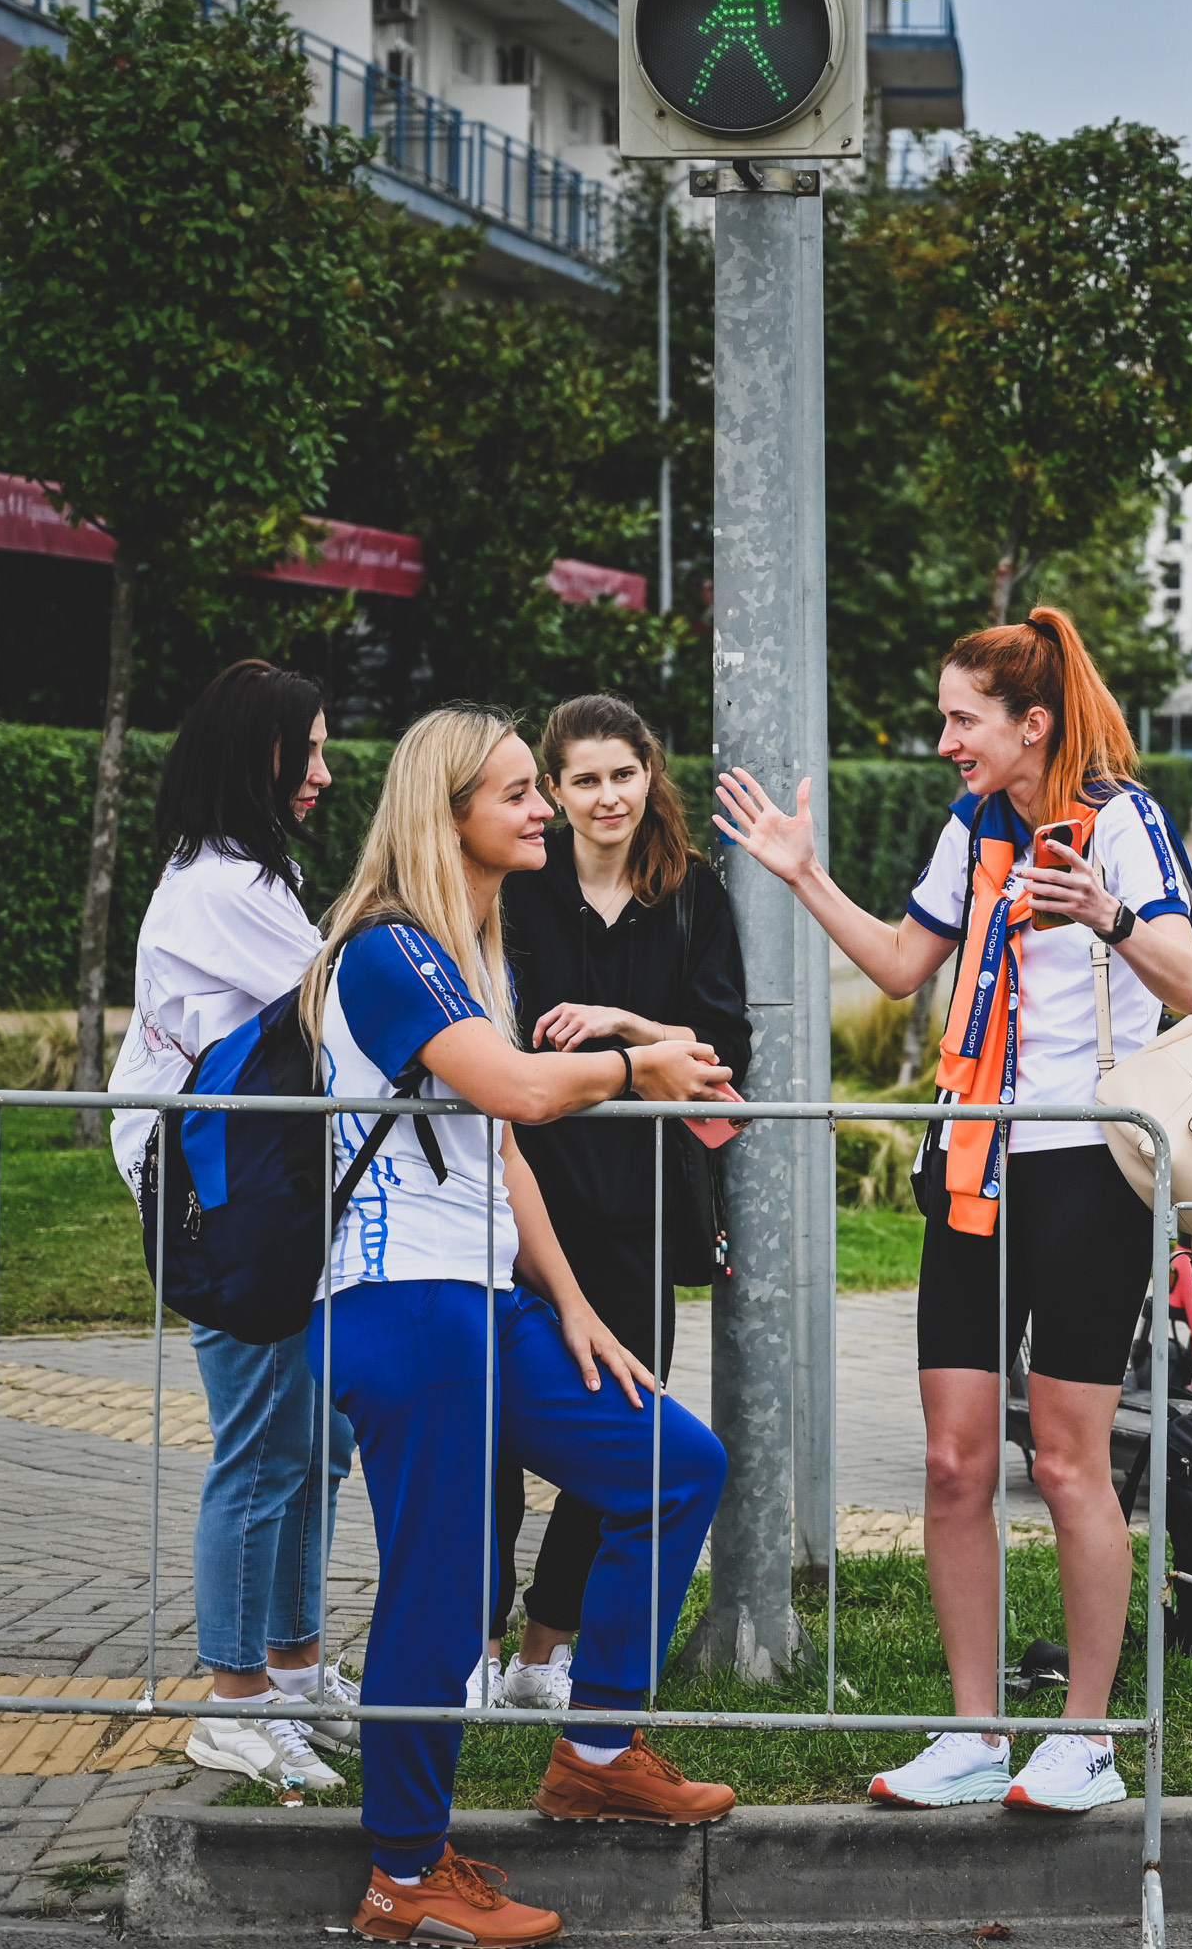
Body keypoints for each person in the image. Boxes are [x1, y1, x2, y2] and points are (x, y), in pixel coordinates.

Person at [714, 605, 1192, 1815]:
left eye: (961, 720)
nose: (944, 741)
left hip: (1089, 1165)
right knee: (952, 1460)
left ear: (1030, 723)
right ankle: (974, 1729)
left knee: (1070, 1459)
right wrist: (802, 873)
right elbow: (898, 965)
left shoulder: (1121, 819)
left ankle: (1085, 1738)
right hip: (973, 1158)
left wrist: (1107, 914)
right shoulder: (974, 827)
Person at [303, 705, 739, 1949]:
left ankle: (595, 1752)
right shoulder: (387, 949)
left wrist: (576, 1306)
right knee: (443, 1595)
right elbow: (522, 1092)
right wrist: (637, 1065)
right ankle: (404, 1872)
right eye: (517, 792)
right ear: (448, 816)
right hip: (407, 1308)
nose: (544, 806)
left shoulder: (465, 943)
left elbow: (498, 1151)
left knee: (674, 1463)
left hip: (488, 1301)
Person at [107, 659, 356, 1793]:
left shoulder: (252, 874)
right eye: (306, 750)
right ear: (253, 753)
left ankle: (293, 1675)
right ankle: (235, 1700)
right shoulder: (218, 888)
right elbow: (344, 1005)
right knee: (260, 1449)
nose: (323, 772)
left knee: (317, 1441)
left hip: (269, 1192)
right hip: (228, 1204)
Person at [476, 693, 753, 1711]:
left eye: (623, 775)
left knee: (622, 1431)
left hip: (643, 1206)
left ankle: (542, 1654)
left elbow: (724, 1054)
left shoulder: (692, 892)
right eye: (584, 779)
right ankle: (473, 1645)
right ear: (552, 790)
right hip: (518, 1200)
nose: (607, 797)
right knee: (489, 1440)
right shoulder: (514, 887)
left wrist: (626, 1023)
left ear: (650, 775)